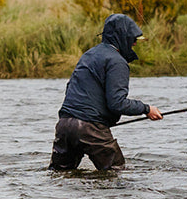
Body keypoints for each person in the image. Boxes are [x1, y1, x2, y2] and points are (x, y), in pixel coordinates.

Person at [49, 12, 161, 171]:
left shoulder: (89, 55)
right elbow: (117, 103)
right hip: (90, 128)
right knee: (116, 174)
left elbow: (70, 88)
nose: (134, 44)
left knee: (60, 175)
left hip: (64, 125)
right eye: (132, 39)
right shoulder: (117, 62)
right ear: (122, 37)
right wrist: (146, 109)